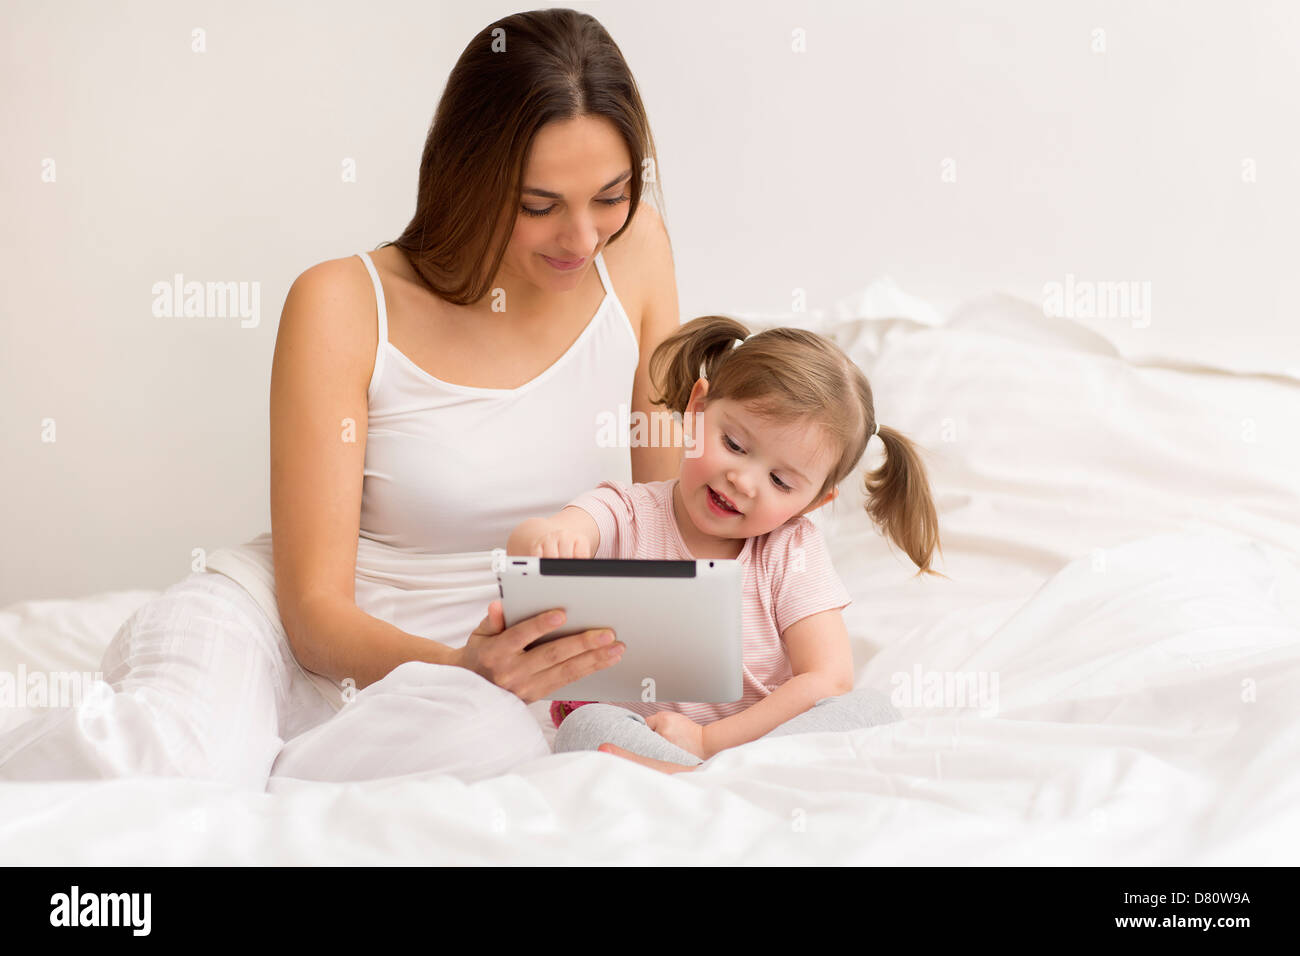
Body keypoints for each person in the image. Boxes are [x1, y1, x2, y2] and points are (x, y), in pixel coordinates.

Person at [0, 9, 685, 787]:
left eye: (611, 195)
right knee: (172, 760)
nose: (584, 239)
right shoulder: (343, 301)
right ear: (469, 174)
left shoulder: (638, 254)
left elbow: (665, 528)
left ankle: (270, 775)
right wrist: (465, 663)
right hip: (285, 634)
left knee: (495, 746)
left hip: (465, 690)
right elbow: (314, 614)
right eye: (539, 205)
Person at [507, 315, 947, 769]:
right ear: (697, 411)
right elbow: (533, 541)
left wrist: (709, 741)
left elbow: (829, 678)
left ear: (812, 503)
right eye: (734, 444)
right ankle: (704, 781)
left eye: (780, 480)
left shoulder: (790, 550)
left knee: (873, 710)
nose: (744, 481)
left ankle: (696, 779)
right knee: (585, 727)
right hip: (640, 735)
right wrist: (551, 540)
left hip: (753, 741)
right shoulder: (626, 511)